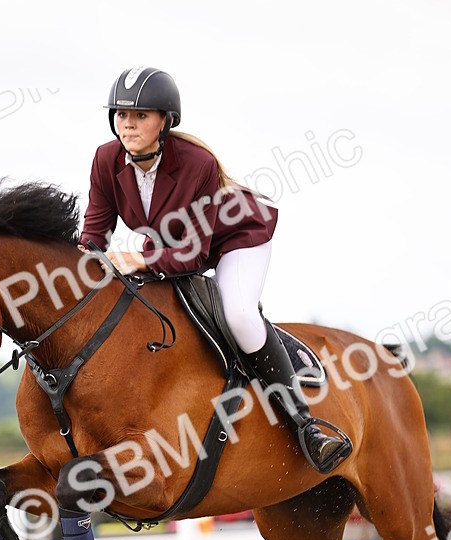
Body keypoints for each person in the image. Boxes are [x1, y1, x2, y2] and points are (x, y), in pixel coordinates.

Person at [79, 66, 352, 474]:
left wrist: (136, 259)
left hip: (236, 237)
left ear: (165, 121)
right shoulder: (106, 159)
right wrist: (79, 267)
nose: (128, 124)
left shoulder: (197, 163)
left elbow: (191, 256)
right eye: (121, 115)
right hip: (170, 243)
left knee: (237, 313)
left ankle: (307, 425)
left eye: (140, 116)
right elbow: (96, 230)